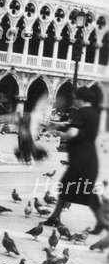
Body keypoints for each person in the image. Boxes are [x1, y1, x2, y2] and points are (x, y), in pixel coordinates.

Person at [44, 85, 107, 233]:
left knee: (81, 190)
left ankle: (101, 222)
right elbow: (72, 124)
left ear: (80, 99)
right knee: (69, 187)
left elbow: (72, 132)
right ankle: (55, 216)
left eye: (75, 99)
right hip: (90, 158)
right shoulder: (94, 113)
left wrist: (58, 134)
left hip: (80, 159)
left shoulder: (80, 112)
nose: (73, 102)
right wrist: (56, 124)